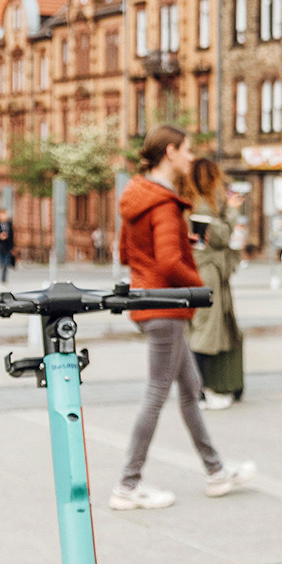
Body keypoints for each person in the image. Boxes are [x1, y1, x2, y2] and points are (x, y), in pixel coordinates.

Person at [111, 128, 254, 508]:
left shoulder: (136, 196)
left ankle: (216, 471)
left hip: (147, 299)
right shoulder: (163, 203)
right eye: (187, 151)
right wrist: (199, 288)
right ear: (170, 152)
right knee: (157, 393)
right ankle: (127, 485)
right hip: (166, 306)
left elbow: (127, 252)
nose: (191, 158)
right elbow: (169, 263)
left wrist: (178, 240)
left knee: (190, 390)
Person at [185, 156, 245, 407]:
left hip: (207, 271)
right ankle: (198, 391)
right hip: (207, 273)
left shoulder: (195, 203)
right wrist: (231, 209)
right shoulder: (199, 206)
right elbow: (220, 236)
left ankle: (207, 387)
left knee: (206, 329)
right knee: (205, 331)